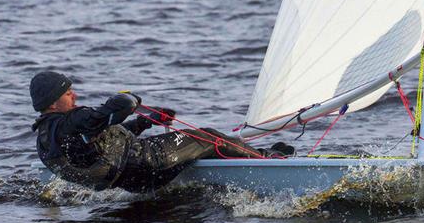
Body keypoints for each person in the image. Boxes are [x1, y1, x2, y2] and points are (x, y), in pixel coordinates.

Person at [30, 71, 293, 192]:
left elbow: (101, 145)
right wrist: (131, 99)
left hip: (133, 183)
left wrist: (144, 122)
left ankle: (239, 159)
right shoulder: (75, 119)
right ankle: (265, 159)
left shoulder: (45, 137)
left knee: (195, 149)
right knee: (205, 136)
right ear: (53, 102)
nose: (74, 95)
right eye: (67, 93)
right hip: (149, 164)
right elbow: (122, 105)